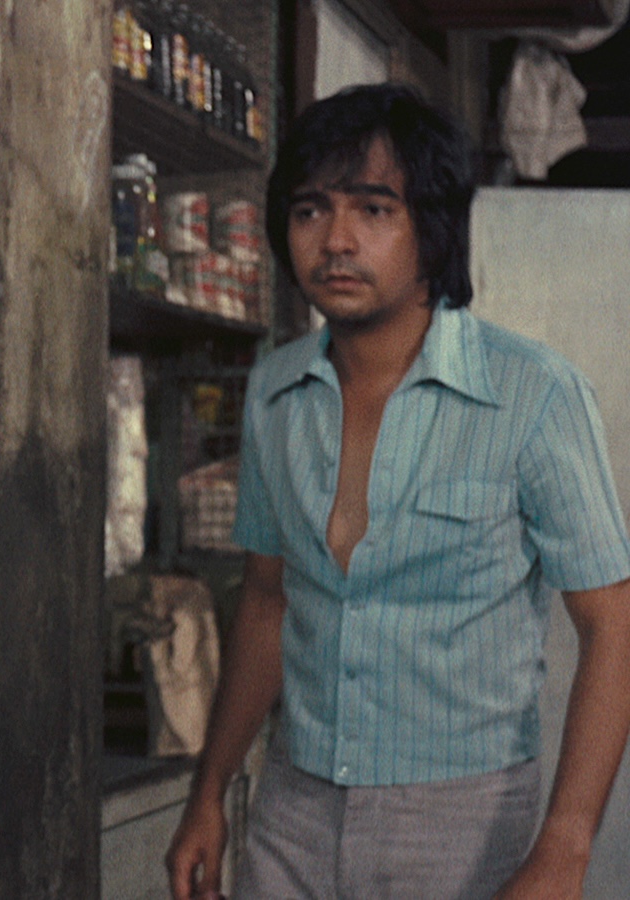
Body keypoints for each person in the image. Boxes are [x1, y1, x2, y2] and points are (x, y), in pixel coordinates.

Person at [165, 82, 630, 900]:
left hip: (461, 819)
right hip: (293, 809)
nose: (336, 240)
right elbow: (269, 600)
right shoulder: (274, 391)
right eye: (310, 210)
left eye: (374, 209)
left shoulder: (535, 394)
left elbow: (613, 624)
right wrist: (210, 792)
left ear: (433, 229)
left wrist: (565, 846)